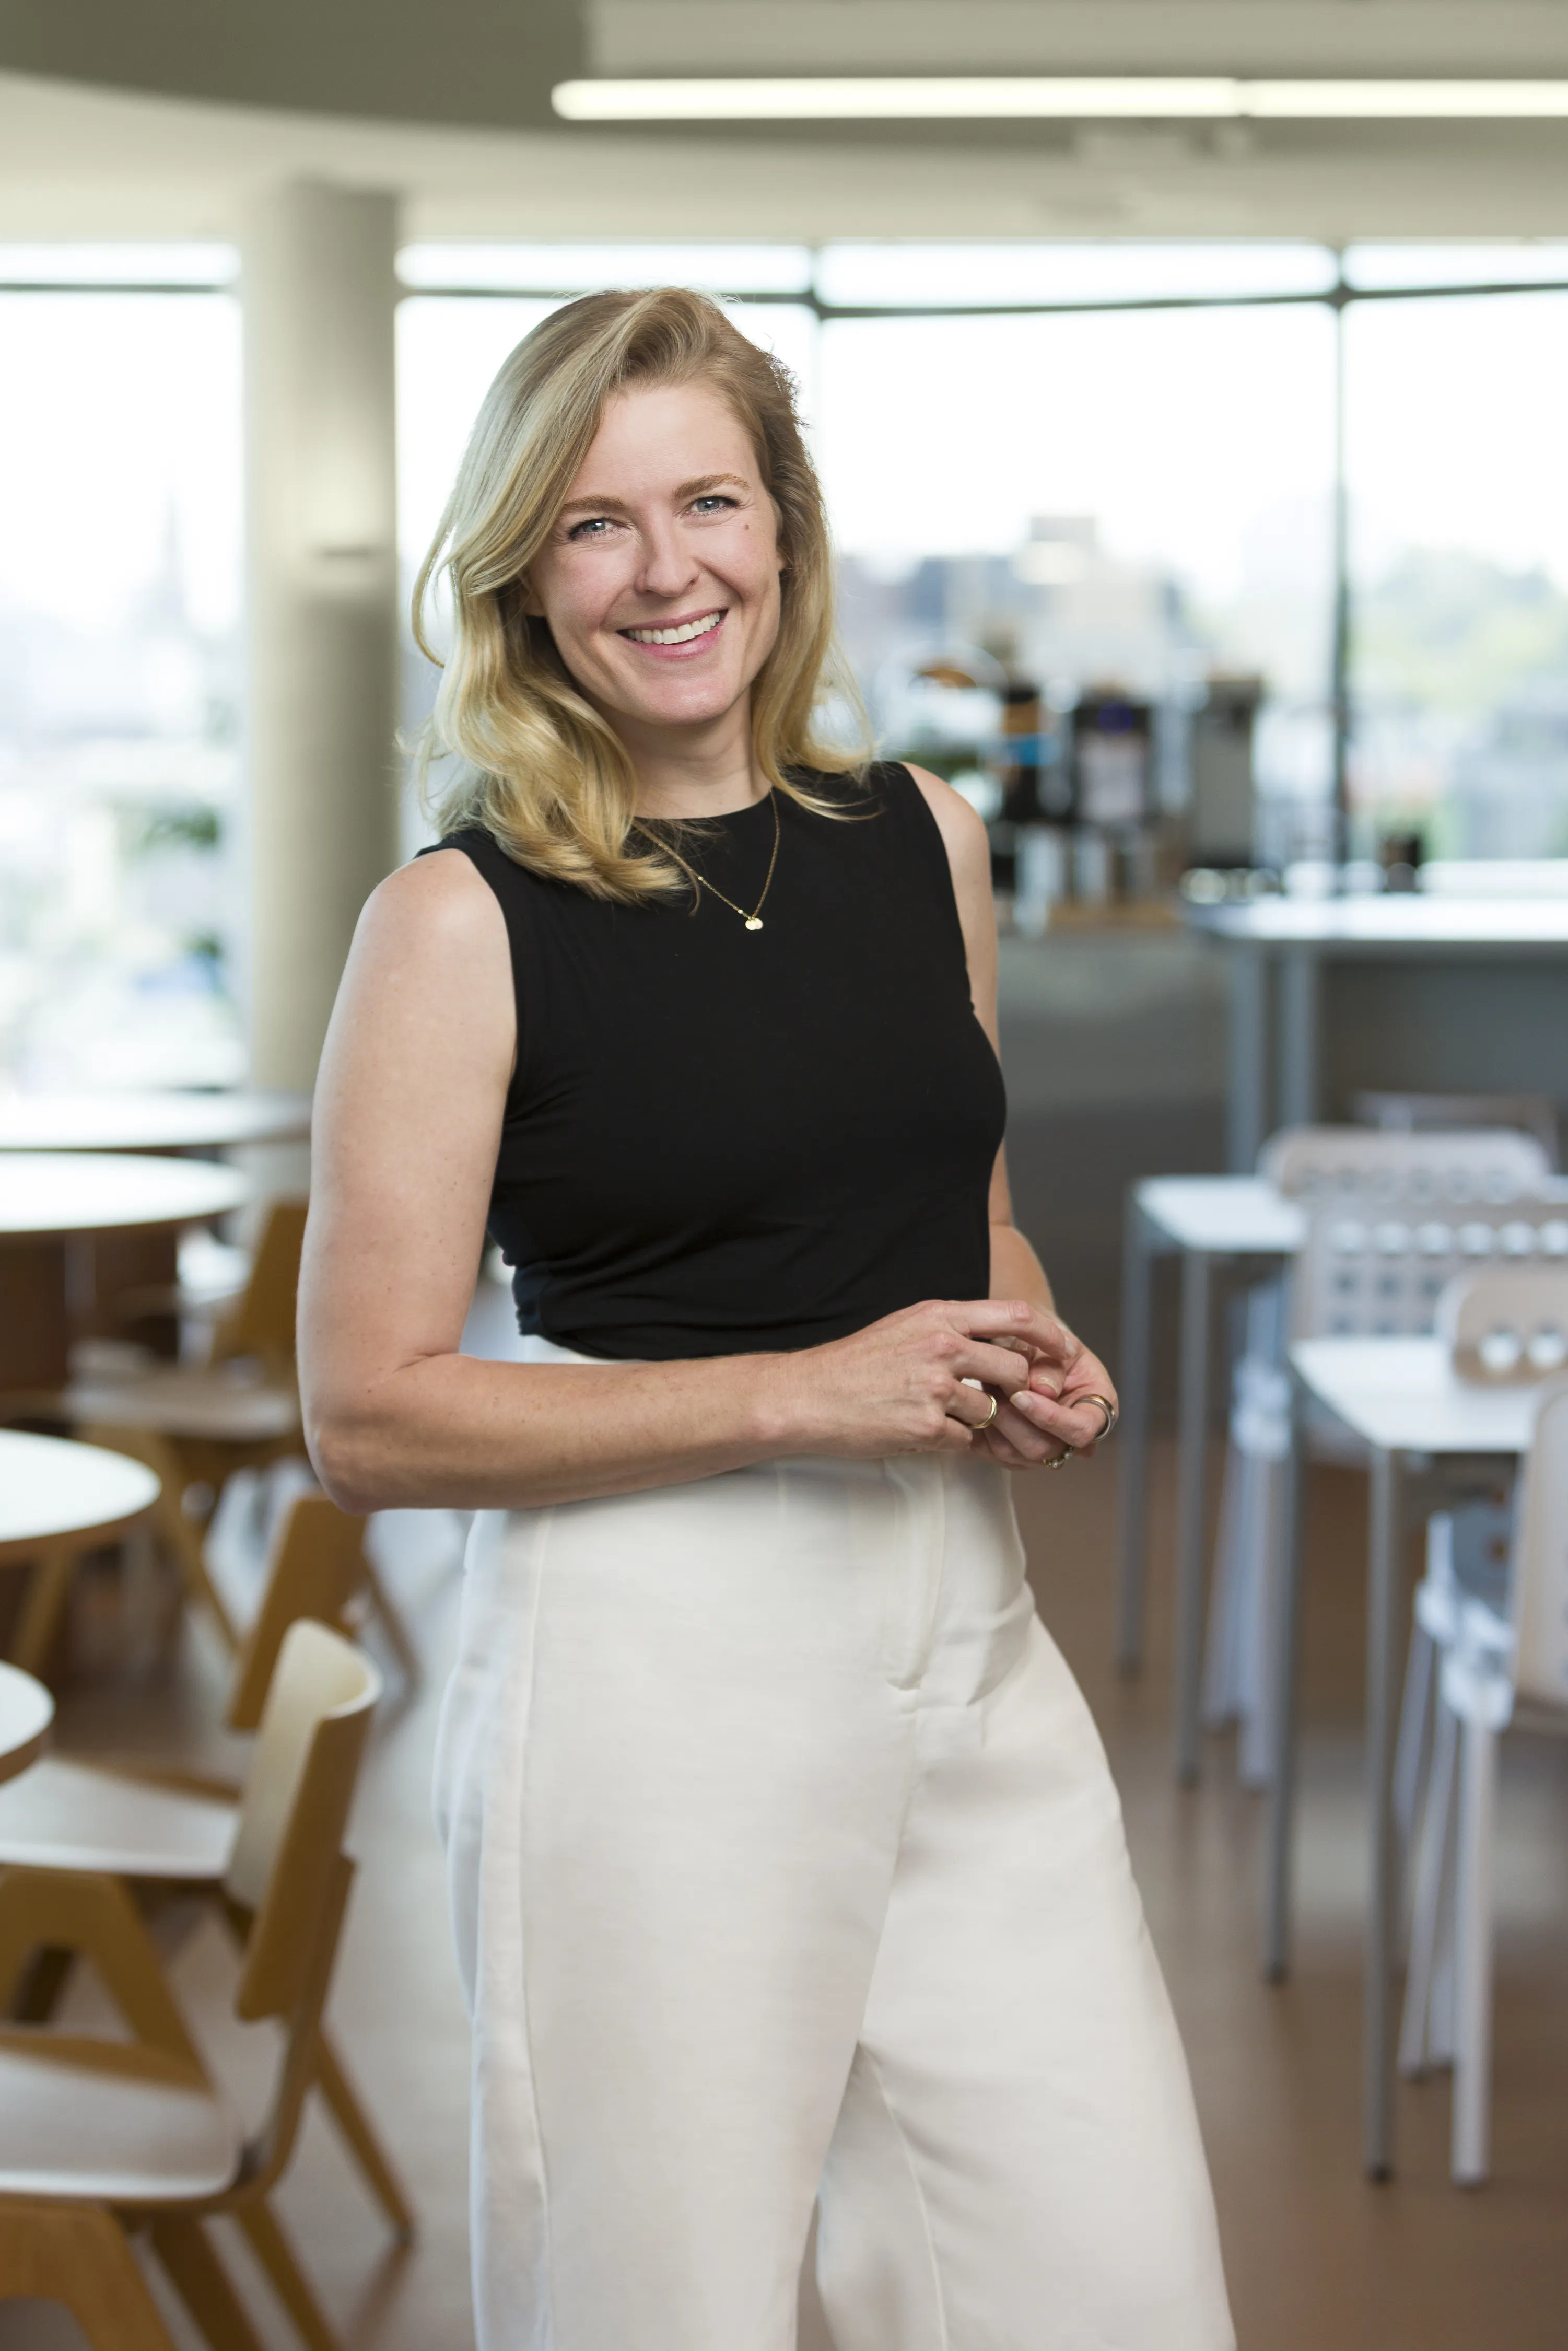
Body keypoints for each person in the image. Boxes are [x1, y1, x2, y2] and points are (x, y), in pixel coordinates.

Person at [299, 287, 1233, 2351]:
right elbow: (367, 1420)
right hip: (655, 1690)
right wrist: (820, 1391)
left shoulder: (925, 844)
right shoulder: (456, 925)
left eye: (707, 501)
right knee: (661, 2309)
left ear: (785, 531)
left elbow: (964, 1221)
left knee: (1110, 2288)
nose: (666, 570)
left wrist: (1031, 1344)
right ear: (526, 580)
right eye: (594, 523)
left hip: (966, 1642)